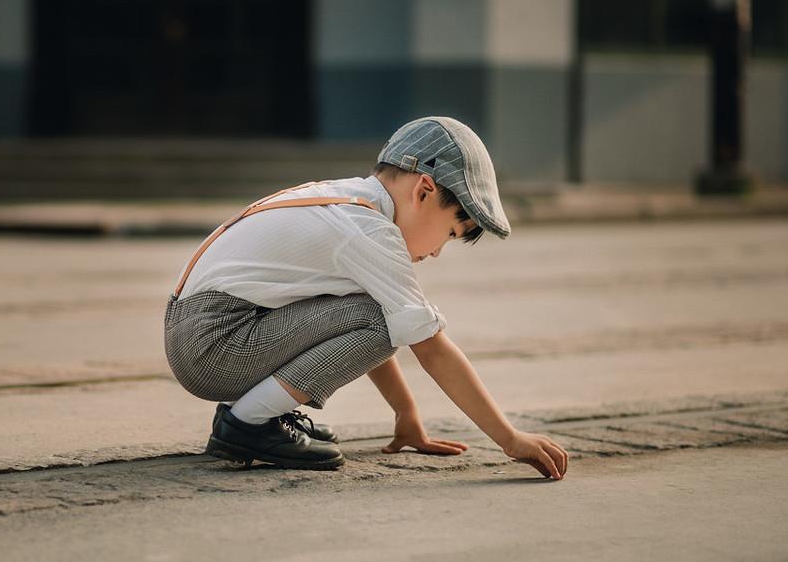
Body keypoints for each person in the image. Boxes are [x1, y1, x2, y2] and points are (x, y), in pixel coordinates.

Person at [163, 116, 568, 479]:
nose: (438, 251)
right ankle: (248, 422)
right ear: (424, 191)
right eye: (450, 232)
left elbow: (364, 321)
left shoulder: (351, 202)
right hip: (213, 346)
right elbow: (427, 346)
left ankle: (258, 413)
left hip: (201, 334)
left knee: (381, 311)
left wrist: (405, 414)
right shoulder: (369, 230)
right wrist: (509, 438)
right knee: (384, 316)